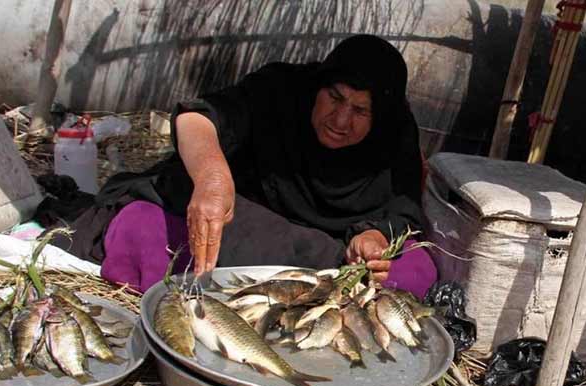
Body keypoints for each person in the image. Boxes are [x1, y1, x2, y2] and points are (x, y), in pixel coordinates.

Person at [52, 34, 437, 297]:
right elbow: (197, 118)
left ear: (381, 116)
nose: (339, 120)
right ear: (318, 86)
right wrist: (212, 177)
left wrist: (377, 239)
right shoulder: (281, 92)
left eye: (359, 111)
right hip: (248, 221)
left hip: (334, 250)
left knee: (417, 272)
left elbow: (404, 208)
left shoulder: (396, 134)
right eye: (334, 98)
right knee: (147, 224)